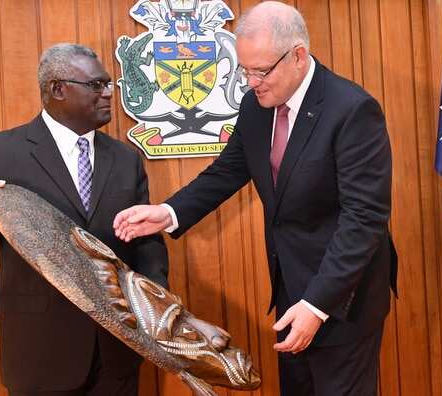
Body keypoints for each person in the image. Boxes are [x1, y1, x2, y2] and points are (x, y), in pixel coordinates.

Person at [113, 2, 397, 395]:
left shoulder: (351, 110)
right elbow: (228, 170)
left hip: (343, 296)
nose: (251, 81)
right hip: (290, 286)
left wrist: (317, 305)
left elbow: (363, 220)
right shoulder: (256, 106)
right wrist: (167, 212)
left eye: (261, 71)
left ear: (298, 55)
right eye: (245, 70)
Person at [0, 43, 168, 396]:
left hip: (118, 356)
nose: (108, 94)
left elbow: (147, 246)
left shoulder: (126, 159)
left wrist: (157, 313)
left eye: (109, 85)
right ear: (57, 89)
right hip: (41, 358)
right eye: (96, 85)